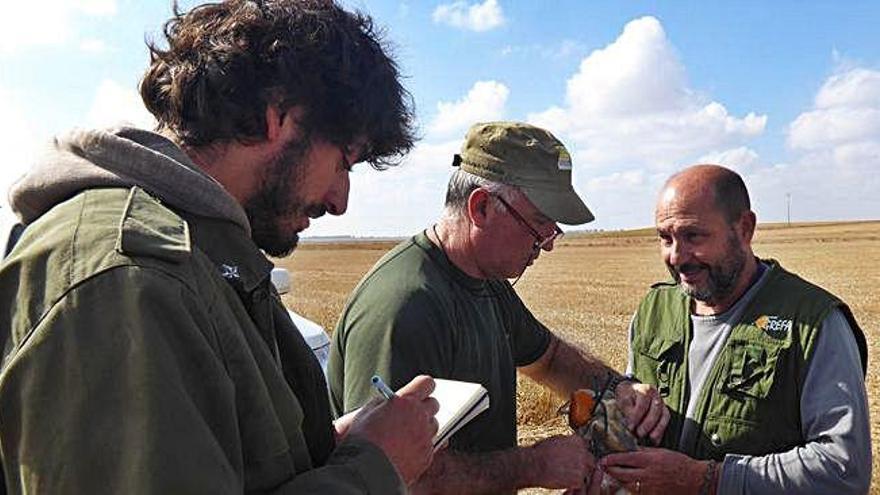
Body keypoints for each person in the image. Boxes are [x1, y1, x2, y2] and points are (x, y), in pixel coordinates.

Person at [0, 1, 441, 493]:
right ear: (281, 116)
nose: (340, 201)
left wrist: (330, 451)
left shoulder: (201, 258)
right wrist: (373, 468)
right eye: (345, 161)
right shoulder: (128, 279)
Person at [327, 122, 670, 494]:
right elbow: (394, 476)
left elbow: (550, 358)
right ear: (482, 207)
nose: (548, 243)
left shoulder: (486, 280)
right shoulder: (406, 308)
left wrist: (618, 388)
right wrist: (532, 465)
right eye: (539, 223)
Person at [601, 164, 871, 494]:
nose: (676, 256)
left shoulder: (813, 323)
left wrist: (707, 480)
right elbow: (631, 417)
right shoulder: (653, 311)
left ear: (744, 228)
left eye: (693, 236)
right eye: (665, 238)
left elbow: (842, 468)